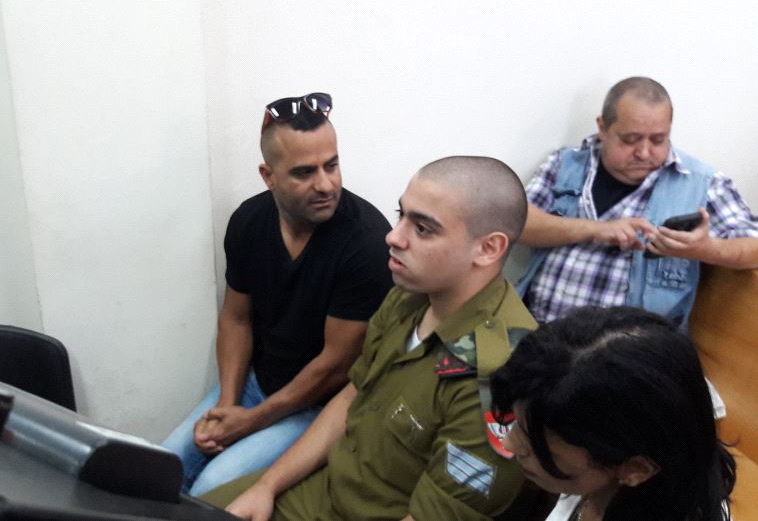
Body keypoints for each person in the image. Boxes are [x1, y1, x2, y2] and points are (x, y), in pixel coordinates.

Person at [201, 156, 538, 520]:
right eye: (401, 215)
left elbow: (436, 514)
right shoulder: (409, 297)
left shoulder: (498, 376)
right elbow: (353, 396)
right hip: (326, 487)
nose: (393, 237)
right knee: (189, 510)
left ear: (488, 249)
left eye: (422, 228)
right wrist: (267, 486)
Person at [162, 93, 393, 496]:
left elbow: (334, 368)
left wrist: (249, 423)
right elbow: (236, 319)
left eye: (332, 165)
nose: (325, 184)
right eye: (304, 172)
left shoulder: (367, 243)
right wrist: (228, 406)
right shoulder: (249, 220)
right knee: (160, 465)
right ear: (268, 176)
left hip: (320, 405)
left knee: (213, 488)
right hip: (258, 384)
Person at [517, 77, 758, 328]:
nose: (643, 153)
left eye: (658, 140)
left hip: (631, 346)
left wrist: (706, 249)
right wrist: (595, 229)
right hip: (537, 332)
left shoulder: (702, 184)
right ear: (603, 127)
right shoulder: (566, 163)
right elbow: (517, 222)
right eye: (630, 139)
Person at [490, 305, 736, 520]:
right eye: (516, 424)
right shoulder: (598, 475)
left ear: (636, 469)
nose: (509, 444)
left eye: (537, 446)